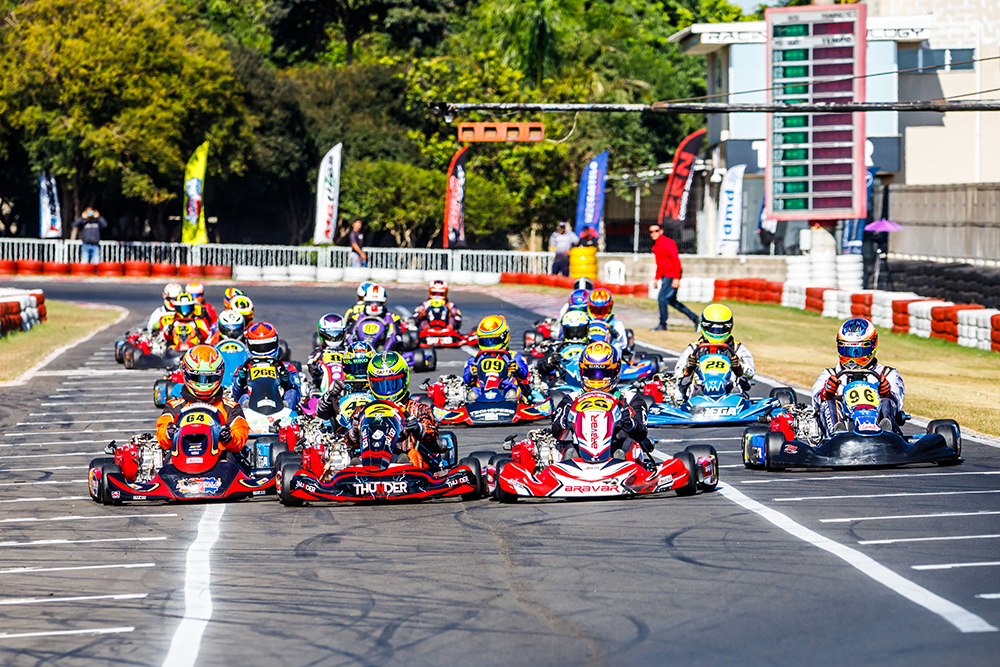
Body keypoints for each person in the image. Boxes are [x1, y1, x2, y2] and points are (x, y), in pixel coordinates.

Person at [318, 351, 440, 468]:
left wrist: (418, 428)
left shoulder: (418, 409)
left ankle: (411, 475)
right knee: (354, 461)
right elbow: (349, 443)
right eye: (380, 384)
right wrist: (354, 430)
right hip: (370, 461)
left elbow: (432, 435)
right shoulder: (362, 411)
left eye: (392, 384)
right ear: (371, 384)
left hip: (407, 463)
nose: (387, 391)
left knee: (410, 455)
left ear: (404, 380)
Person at [550, 340, 649, 460]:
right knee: (567, 450)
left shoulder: (630, 398)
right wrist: (564, 419)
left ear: (615, 371)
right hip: (581, 453)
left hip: (616, 452)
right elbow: (558, 435)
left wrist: (628, 422)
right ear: (582, 371)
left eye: (603, 373)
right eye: (591, 373)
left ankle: (624, 470)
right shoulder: (571, 399)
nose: (597, 379)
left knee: (631, 446)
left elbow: (641, 434)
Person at [811, 318, 904, 437]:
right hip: (840, 435)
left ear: (872, 347)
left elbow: (898, 401)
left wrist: (886, 393)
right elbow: (815, 401)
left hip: (880, 432)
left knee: (887, 400)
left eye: (857, 351)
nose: (851, 358)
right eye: (847, 350)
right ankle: (836, 435)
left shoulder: (887, 373)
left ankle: (886, 433)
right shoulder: (830, 374)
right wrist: (826, 393)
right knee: (829, 401)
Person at [156, 345, 249, 453]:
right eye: (198, 378)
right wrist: (169, 434)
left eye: (210, 378)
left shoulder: (230, 408)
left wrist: (228, 438)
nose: (203, 383)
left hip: (219, 463)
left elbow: (240, 435)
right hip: (181, 460)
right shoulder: (174, 406)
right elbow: (162, 433)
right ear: (186, 374)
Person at [674, 304, 756, 399]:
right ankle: (695, 398)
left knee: (734, 386)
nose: (716, 332)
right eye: (712, 329)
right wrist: (688, 369)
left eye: (721, 329)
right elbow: (678, 375)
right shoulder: (693, 349)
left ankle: (735, 398)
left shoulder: (737, 348)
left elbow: (750, 372)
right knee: (688, 389)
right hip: (699, 392)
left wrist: (739, 367)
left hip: (729, 391)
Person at [231, 322, 301, 410]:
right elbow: (235, 395)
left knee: (292, 393)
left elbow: (297, 394)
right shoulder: (244, 369)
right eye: (258, 347)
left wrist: (286, 383)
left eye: (267, 346)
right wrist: (240, 381)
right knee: (243, 397)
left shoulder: (286, 367)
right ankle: (245, 418)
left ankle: (289, 417)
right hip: (252, 408)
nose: (263, 352)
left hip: (280, 407)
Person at [462, 315, 530, 401]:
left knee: (514, 392)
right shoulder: (475, 359)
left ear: (505, 336)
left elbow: (524, 376)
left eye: (494, 341)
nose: (491, 346)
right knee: (472, 394)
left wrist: (516, 369)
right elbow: (466, 380)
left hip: (506, 387)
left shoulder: (514, 356)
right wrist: (471, 373)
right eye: (486, 341)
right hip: (482, 390)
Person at [650, 224, 699, 331]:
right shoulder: (655, 246)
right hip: (664, 276)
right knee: (672, 301)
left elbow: (676, 261)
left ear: (661, 231)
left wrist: (676, 278)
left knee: (662, 298)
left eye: (656, 231)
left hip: (671, 275)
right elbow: (660, 264)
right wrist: (656, 278)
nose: (654, 233)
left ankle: (663, 324)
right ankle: (695, 318)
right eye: (651, 232)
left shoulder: (668, 242)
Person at [348, 285, 401, 351]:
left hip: (383, 351)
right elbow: (349, 335)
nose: (374, 305)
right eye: (371, 303)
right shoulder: (357, 317)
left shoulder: (392, 318)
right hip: (359, 351)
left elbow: (396, 337)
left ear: (383, 302)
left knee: (395, 338)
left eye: (377, 303)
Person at [307, 313, 349, 386]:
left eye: (337, 335)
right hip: (321, 388)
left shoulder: (348, 351)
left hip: (347, 385)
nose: (333, 338)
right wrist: (315, 367)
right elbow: (311, 365)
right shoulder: (318, 352)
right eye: (329, 335)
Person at [587, 288, 628, 359]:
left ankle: (616, 366)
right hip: (588, 355)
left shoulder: (616, 324)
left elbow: (623, 345)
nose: (599, 314)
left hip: (609, 358)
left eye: (603, 310)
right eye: (596, 310)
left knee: (617, 345)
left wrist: (613, 333)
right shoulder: (585, 322)